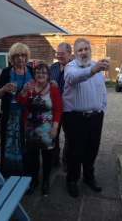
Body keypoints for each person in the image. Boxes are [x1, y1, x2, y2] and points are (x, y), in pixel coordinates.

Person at [62, 38, 111, 198]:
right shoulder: (71, 67)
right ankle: (72, 180)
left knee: (92, 150)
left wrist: (102, 108)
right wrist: (92, 70)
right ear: (75, 53)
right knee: (75, 152)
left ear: (90, 50)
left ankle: (89, 177)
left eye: (86, 49)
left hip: (96, 118)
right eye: (80, 50)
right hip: (76, 118)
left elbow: (103, 91)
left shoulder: (97, 66)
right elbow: (73, 78)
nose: (83, 52)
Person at [17, 62, 62, 196]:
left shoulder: (53, 89)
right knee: (33, 157)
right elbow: (20, 102)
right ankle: (34, 180)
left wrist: (55, 127)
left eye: (44, 72)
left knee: (47, 157)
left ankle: (46, 181)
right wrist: (24, 90)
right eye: (38, 72)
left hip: (47, 130)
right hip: (31, 129)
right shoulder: (30, 86)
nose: (41, 75)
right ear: (34, 74)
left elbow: (59, 110)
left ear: (48, 75)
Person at [0, 42, 33, 178]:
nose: (20, 58)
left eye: (22, 55)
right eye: (16, 55)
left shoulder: (31, 71)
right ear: (12, 58)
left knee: (26, 145)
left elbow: (41, 86)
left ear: (26, 57)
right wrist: (4, 89)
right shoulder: (6, 72)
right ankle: (10, 175)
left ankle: (26, 174)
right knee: (10, 145)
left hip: (28, 114)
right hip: (11, 115)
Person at [50, 42, 72, 170]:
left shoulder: (75, 68)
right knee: (54, 133)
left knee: (69, 136)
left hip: (69, 108)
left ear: (69, 53)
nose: (59, 56)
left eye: (62, 54)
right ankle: (54, 159)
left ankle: (67, 161)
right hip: (54, 109)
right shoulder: (52, 67)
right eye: (57, 53)